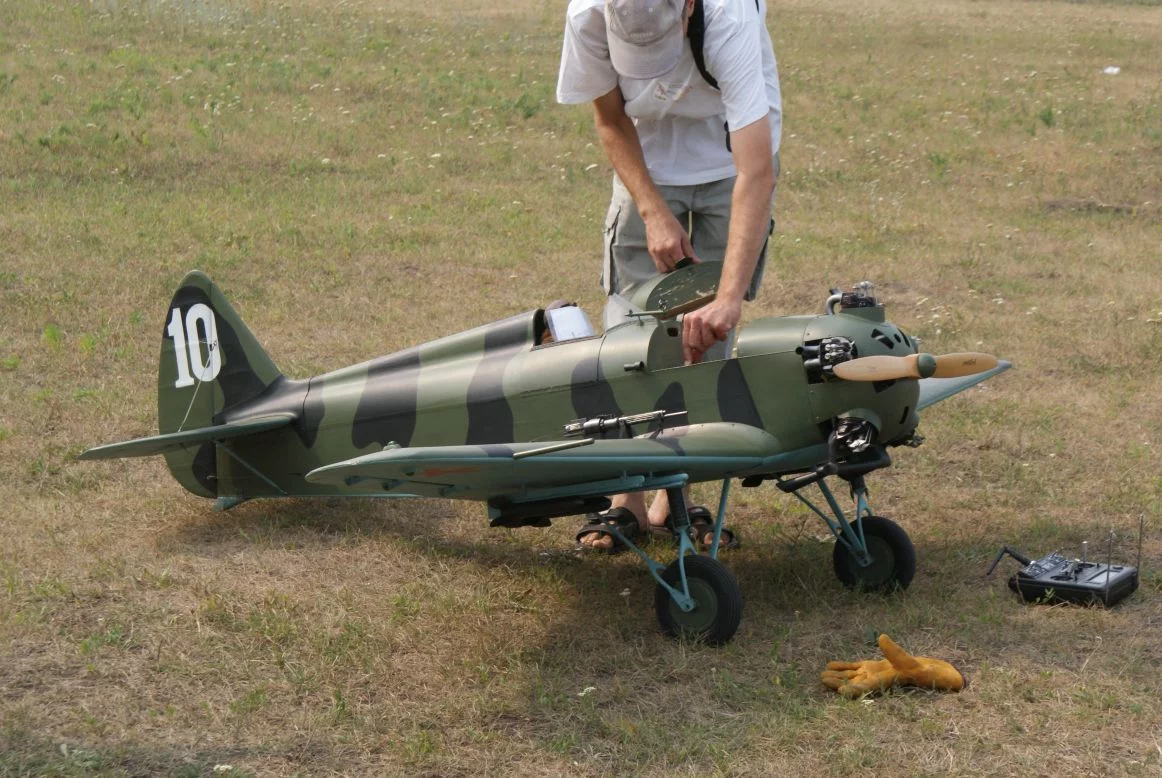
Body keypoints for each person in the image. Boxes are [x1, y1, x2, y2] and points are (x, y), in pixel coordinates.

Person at [556, 0, 782, 551]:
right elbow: (610, 119)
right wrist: (652, 209)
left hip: (731, 164)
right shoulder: (588, 13)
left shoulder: (729, 19)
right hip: (647, 161)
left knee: (707, 339)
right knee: (629, 338)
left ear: (688, 7)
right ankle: (626, 499)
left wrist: (728, 297)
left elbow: (756, 170)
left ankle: (676, 494)